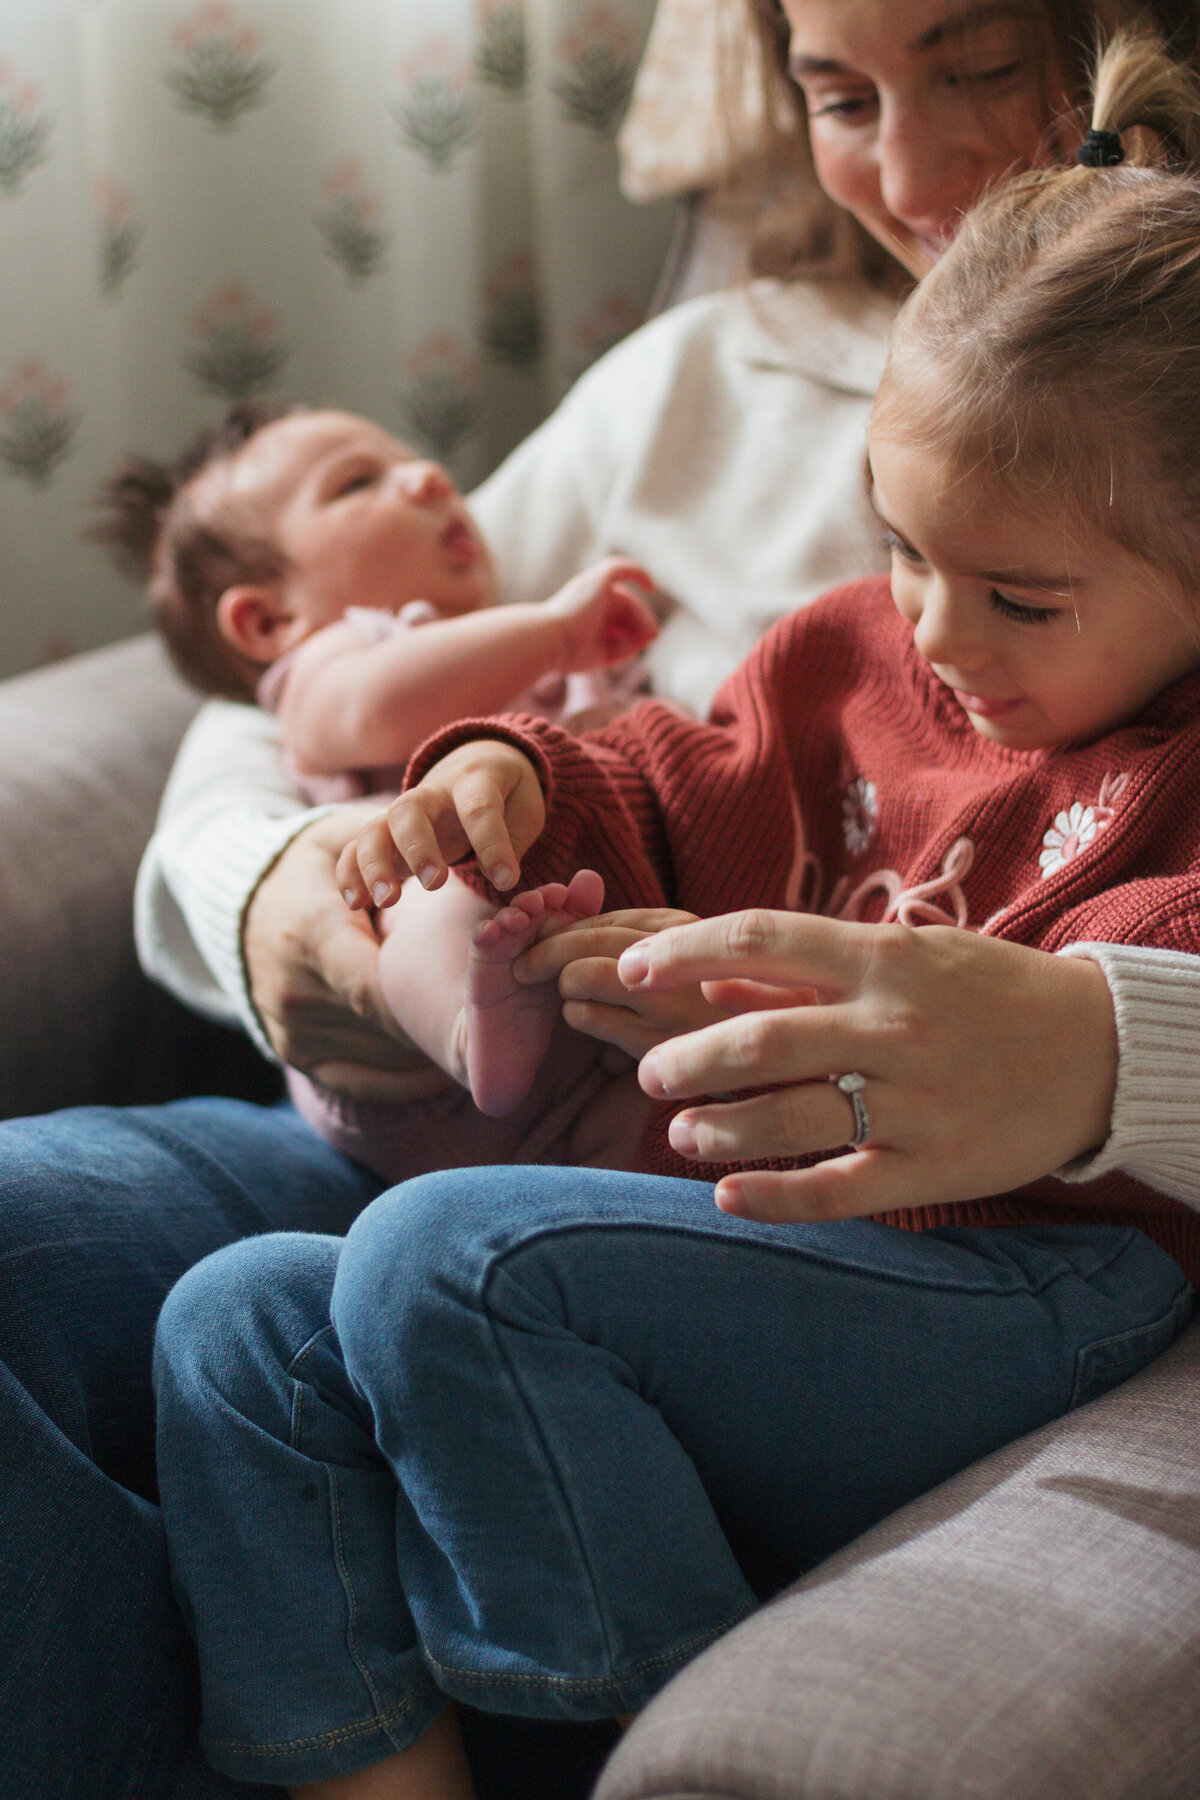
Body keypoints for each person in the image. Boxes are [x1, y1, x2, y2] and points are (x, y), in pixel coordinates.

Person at [5, 3, 1200, 1797]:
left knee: (438, 1262)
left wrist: (986, 1023)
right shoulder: (830, 590)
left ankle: (590, 1733)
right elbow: (647, 767)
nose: (938, 634)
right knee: (237, 1327)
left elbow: (1120, 999)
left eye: (970, 67)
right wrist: (490, 782)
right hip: (607, 1166)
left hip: (1005, 1253)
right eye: (836, 92)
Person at [97, 403, 659, 1155]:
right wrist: (555, 634)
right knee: (433, 882)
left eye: (412, 460)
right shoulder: (331, 664)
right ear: (269, 622)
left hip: (583, 1038)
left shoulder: (529, 650)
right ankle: (465, 1032)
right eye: (359, 483)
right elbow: (378, 708)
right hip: (416, 1055)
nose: (430, 477)